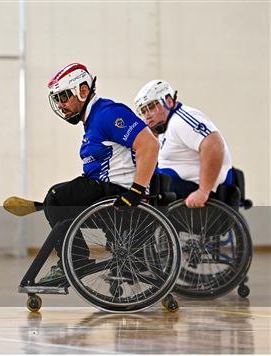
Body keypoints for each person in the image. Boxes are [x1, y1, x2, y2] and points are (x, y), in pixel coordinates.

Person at [37, 63, 159, 283]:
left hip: (116, 190)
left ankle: (75, 261)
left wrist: (136, 191)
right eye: (57, 100)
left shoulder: (108, 114)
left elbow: (149, 144)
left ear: (83, 91)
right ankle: (78, 258)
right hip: (105, 186)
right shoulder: (93, 120)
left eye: (64, 97)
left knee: (56, 198)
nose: (61, 105)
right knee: (60, 203)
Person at [134, 80, 234, 208]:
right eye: (143, 111)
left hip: (196, 187)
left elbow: (214, 145)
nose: (147, 115)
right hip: (181, 184)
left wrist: (203, 191)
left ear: (169, 101)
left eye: (151, 107)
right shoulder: (167, 125)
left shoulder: (181, 120)